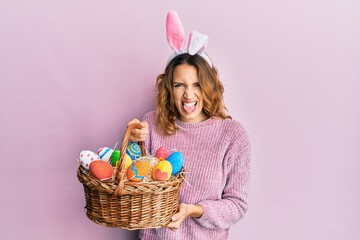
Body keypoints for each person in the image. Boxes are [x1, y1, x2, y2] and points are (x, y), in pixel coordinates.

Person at [128, 11, 251, 240]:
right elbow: (131, 182)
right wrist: (134, 145)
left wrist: (194, 210)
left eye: (197, 84)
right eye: (179, 85)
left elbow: (237, 205)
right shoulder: (152, 124)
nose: (188, 95)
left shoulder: (232, 135)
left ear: (209, 87)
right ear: (169, 89)